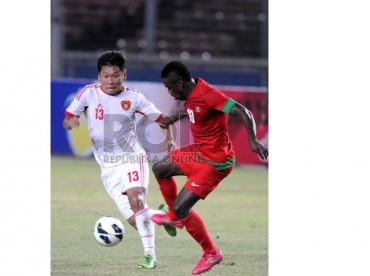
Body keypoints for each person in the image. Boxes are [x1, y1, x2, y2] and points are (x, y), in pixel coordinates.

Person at [151, 61, 269, 275]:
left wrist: (252, 140)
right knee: (160, 169)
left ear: (180, 83)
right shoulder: (190, 94)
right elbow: (196, 110)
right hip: (199, 152)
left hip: (216, 163)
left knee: (181, 207)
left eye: (169, 87)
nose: (168, 92)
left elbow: (244, 112)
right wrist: (174, 118)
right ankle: (174, 217)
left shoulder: (208, 94)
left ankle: (211, 252)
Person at [63, 50, 176, 269]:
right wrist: (71, 122)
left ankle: (149, 255)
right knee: (136, 219)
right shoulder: (88, 93)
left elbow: (162, 119)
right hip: (108, 169)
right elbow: (70, 116)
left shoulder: (134, 97)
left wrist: (169, 141)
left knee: (136, 199)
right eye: (106, 76)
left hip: (132, 157)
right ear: (99, 76)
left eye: (115, 75)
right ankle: (163, 214)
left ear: (124, 74)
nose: (111, 80)